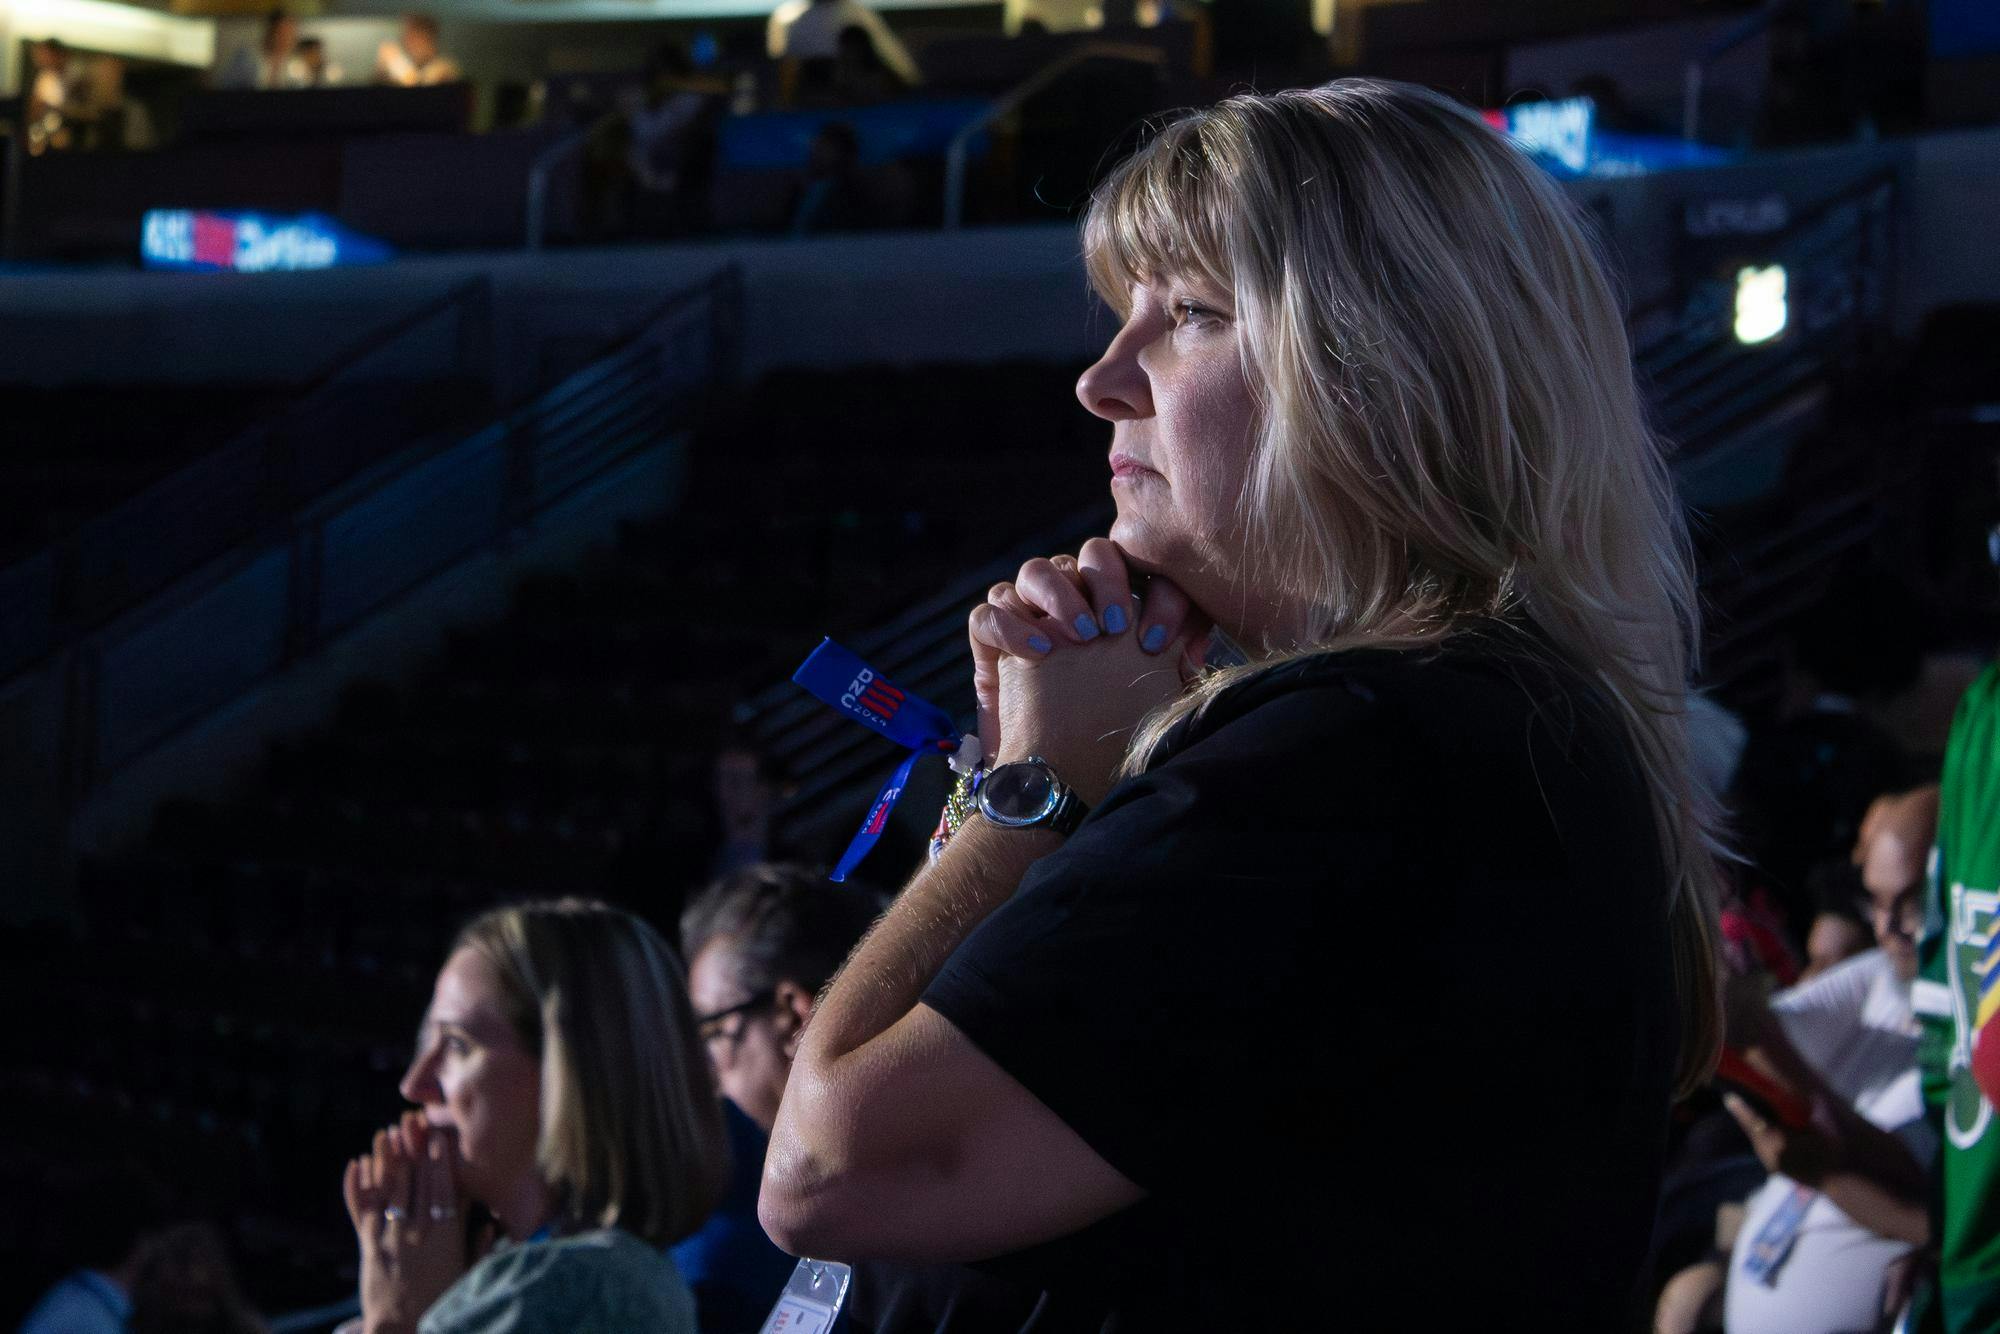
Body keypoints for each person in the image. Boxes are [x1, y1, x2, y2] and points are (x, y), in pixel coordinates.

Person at [757, 78, 1725, 1329]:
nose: (1102, 379)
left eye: (1191, 313)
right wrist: (1018, 774)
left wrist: (1033, 793)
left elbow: (828, 1168)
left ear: (1384, 369)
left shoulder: (1359, 752)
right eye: (1122, 314)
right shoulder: (1453, 732)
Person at [681, 863, 1045, 1333]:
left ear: (792, 1018)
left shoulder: (924, 1233)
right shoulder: (968, 1174)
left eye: (713, 1029)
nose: (706, 1070)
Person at [338, 899, 729, 1334]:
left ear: (573, 1074)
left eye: (458, 1045)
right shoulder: (573, 1276)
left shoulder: (578, 1287)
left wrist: (393, 1323)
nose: (415, 1085)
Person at [1717, 820, 1933, 1334]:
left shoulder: (1977, 1042)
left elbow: (1939, 1213)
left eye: (1912, 903)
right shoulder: (1882, 976)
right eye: (1875, 903)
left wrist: (1824, 1166)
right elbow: (1765, 1031)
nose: (1888, 928)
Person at [766, 0, 920, 88]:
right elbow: (782, 77)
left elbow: (903, 72)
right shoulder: (785, 19)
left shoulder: (859, 16)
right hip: (809, 107)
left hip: (862, 103)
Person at [25, 38, 90, 154]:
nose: (40, 59)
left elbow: (85, 106)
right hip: (49, 131)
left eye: (45, 54)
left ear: (56, 54)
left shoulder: (78, 71)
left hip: (77, 131)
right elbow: (35, 110)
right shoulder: (45, 78)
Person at [218, 11, 298, 91]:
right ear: (270, 32)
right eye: (282, 34)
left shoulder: (295, 65)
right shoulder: (246, 57)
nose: (286, 40)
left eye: (291, 35)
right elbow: (225, 84)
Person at [375, 15, 459, 87]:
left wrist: (396, 62)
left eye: (415, 36)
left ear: (429, 38)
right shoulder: (411, 64)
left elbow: (417, 87)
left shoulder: (445, 68)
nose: (407, 42)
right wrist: (382, 74)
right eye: (407, 35)